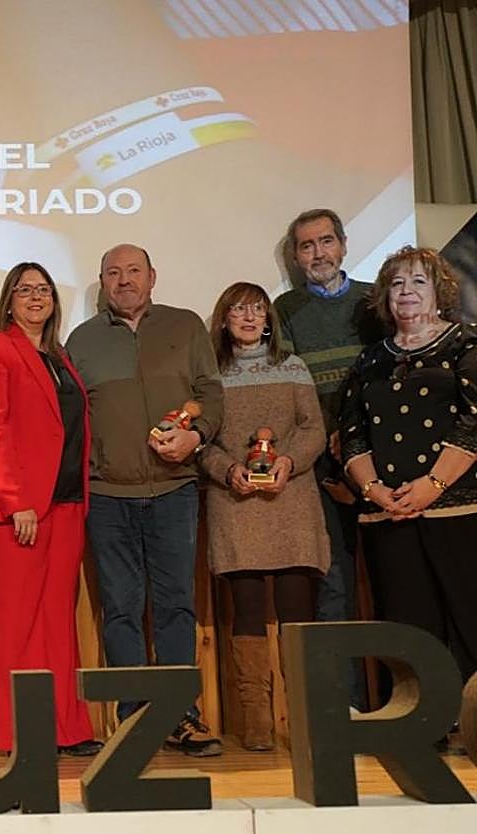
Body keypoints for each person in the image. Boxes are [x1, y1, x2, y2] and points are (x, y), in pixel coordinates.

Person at [65, 243, 224, 757]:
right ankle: (135, 719)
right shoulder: (82, 340)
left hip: (176, 491)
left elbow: (212, 395)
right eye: (113, 272)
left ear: (153, 276)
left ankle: (182, 716)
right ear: (102, 282)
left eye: (134, 270)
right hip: (109, 497)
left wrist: (195, 436)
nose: (124, 280)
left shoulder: (186, 326)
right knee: (121, 610)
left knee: (177, 606)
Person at [0, 262, 101, 756]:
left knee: (58, 621)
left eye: (43, 290)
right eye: (25, 290)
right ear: (8, 300)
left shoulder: (59, 358)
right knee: (17, 622)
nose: (35, 297)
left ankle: (67, 729)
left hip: (64, 504)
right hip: (16, 508)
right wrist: (16, 500)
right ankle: (11, 732)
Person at [340, 246, 477, 698]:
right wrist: (375, 490)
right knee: (406, 625)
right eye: (397, 283)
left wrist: (433, 485)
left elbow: (474, 420)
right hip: (388, 514)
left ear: (439, 292)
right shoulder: (369, 360)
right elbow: (353, 434)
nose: (407, 291)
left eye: (418, 281)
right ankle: (422, 725)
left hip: (458, 509)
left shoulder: (465, 344)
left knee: (468, 614)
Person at [199, 282, 329, 751]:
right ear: (224, 319)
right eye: (238, 310)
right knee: (247, 613)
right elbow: (202, 441)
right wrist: (227, 470)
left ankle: (308, 721)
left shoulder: (292, 367)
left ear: (270, 319)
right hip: (235, 505)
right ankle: (256, 723)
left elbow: (314, 428)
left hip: (291, 500)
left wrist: (289, 462)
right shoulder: (210, 374)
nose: (250, 318)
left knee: (298, 612)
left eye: (258, 309)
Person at [272, 209, 383, 708]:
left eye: (325, 242)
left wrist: (360, 441)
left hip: (385, 463)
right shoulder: (285, 308)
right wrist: (330, 441)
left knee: (393, 585)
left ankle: (412, 705)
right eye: (306, 246)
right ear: (295, 257)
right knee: (334, 584)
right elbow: (289, 392)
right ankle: (348, 708)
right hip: (321, 466)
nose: (317, 254)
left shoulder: (374, 301)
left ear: (343, 244)